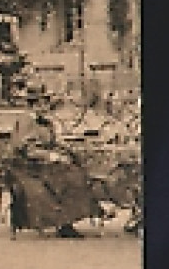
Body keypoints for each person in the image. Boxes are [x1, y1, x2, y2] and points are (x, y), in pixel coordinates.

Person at [5, 102, 100, 237]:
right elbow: (26, 149)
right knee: (64, 178)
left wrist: (67, 149)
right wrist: (50, 156)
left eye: (46, 105)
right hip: (25, 167)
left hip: (42, 164)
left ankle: (76, 215)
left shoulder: (45, 122)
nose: (45, 108)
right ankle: (63, 222)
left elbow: (52, 142)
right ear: (33, 105)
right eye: (41, 104)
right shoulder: (26, 121)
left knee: (76, 173)